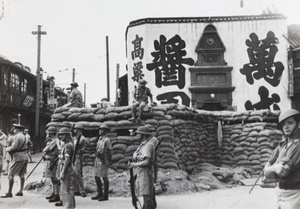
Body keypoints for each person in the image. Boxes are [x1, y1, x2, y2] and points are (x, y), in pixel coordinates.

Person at [264, 109, 300, 208]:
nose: (286, 126)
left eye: (290, 123)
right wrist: (275, 168)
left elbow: (284, 171)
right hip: (278, 193)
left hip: (294, 195)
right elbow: (266, 171)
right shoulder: (282, 145)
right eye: (283, 124)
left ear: (298, 124)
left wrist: (273, 169)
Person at [128, 126, 156, 209]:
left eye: (138, 134)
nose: (137, 135)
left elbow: (146, 162)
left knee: (147, 197)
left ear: (142, 135)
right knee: (145, 196)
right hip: (140, 172)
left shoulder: (148, 145)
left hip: (145, 173)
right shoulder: (142, 145)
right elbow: (137, 157)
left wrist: (134, 165)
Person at [1, 124, 28, 198]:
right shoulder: (24, 136)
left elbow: (14, 146)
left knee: (10, 174)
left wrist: (7, 149)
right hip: (25, 156)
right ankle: (20, 191)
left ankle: (9, 192)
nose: (13, 130)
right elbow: (29, 145)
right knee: (22, 175)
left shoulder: (17, 136)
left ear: (17, 129)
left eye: (14, 129)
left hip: (18, 157)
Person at [91, 124, 112, 201]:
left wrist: (109, 160)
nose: (100, 131)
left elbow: (110, 151)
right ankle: (100, 193)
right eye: (99, 129)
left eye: (102, 129)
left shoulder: (107, 140)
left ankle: (105, 195)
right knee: (96, 176)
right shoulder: (100, 139)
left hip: (104, 159)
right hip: (98, 158)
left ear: (105, 131)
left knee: (104, 177)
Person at [57, 127, 75, 209]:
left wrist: (63, 172)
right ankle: (71, 206)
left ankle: (68, 207)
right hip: (68, 168)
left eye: (62, 135)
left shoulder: (68, 146)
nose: (61, 137)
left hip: (66, 169)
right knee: (69, 189)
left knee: (65, 190)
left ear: (67, 135)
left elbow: (67, 160)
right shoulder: (69, 144)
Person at [43, 126, 60, 204]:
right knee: (52, 178)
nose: (47, 134)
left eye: (48, 133)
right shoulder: (51, 140)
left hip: (53, 161)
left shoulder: (54, 141)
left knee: (54, 178)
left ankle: (57, 195)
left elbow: (46, 149)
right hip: (50, 160)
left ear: (50, 133)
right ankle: (53, 193)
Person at [72, 123, 86, 197]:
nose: (75, 130)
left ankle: (82, 191)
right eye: (74, 129)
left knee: (78, 173)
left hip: (78, 156)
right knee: (73, 173)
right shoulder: (75, 138)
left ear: (80, 130)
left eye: (76, 129)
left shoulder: (82, 138)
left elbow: (77, 146)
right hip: (74, 156)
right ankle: (76, 190)